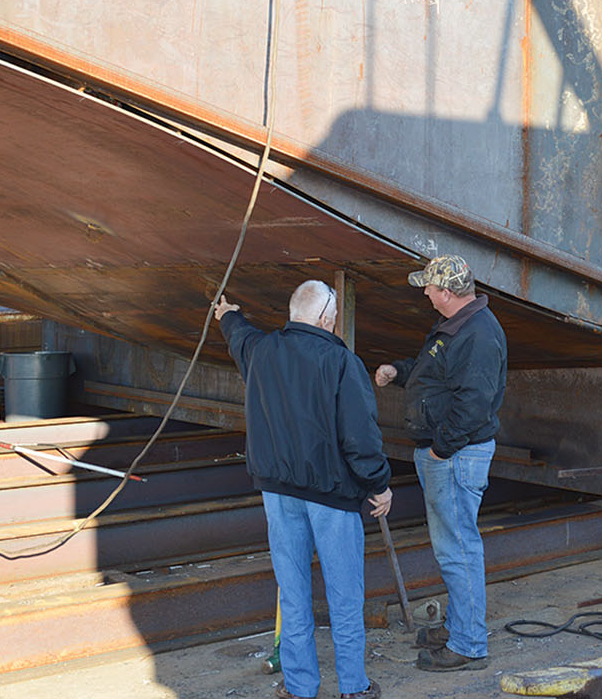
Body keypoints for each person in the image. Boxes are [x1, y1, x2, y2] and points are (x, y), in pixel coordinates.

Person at [216, 281, 392, 699]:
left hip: (278, 494)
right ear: (328, 319)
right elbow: (360, 438)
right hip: (330, 496)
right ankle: (353, 688)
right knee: (344, 596)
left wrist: (227, 315)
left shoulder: (261, 351)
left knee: (293, 592)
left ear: (295, 313)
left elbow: (239, 336)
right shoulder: (341, 362)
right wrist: (379, 484)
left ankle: (299, 688)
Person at [374, 255, 507, 672]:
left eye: (429, 288)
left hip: (455, 456)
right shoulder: (456, 325)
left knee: (459, 550)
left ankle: (468, 645)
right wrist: (399, 370)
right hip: (451, 454)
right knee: (455, 547)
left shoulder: (478, 335)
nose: (426, 293)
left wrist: (439, 450)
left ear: (447, 293)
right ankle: (458, 625)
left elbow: (473, 405)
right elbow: (436, 374)